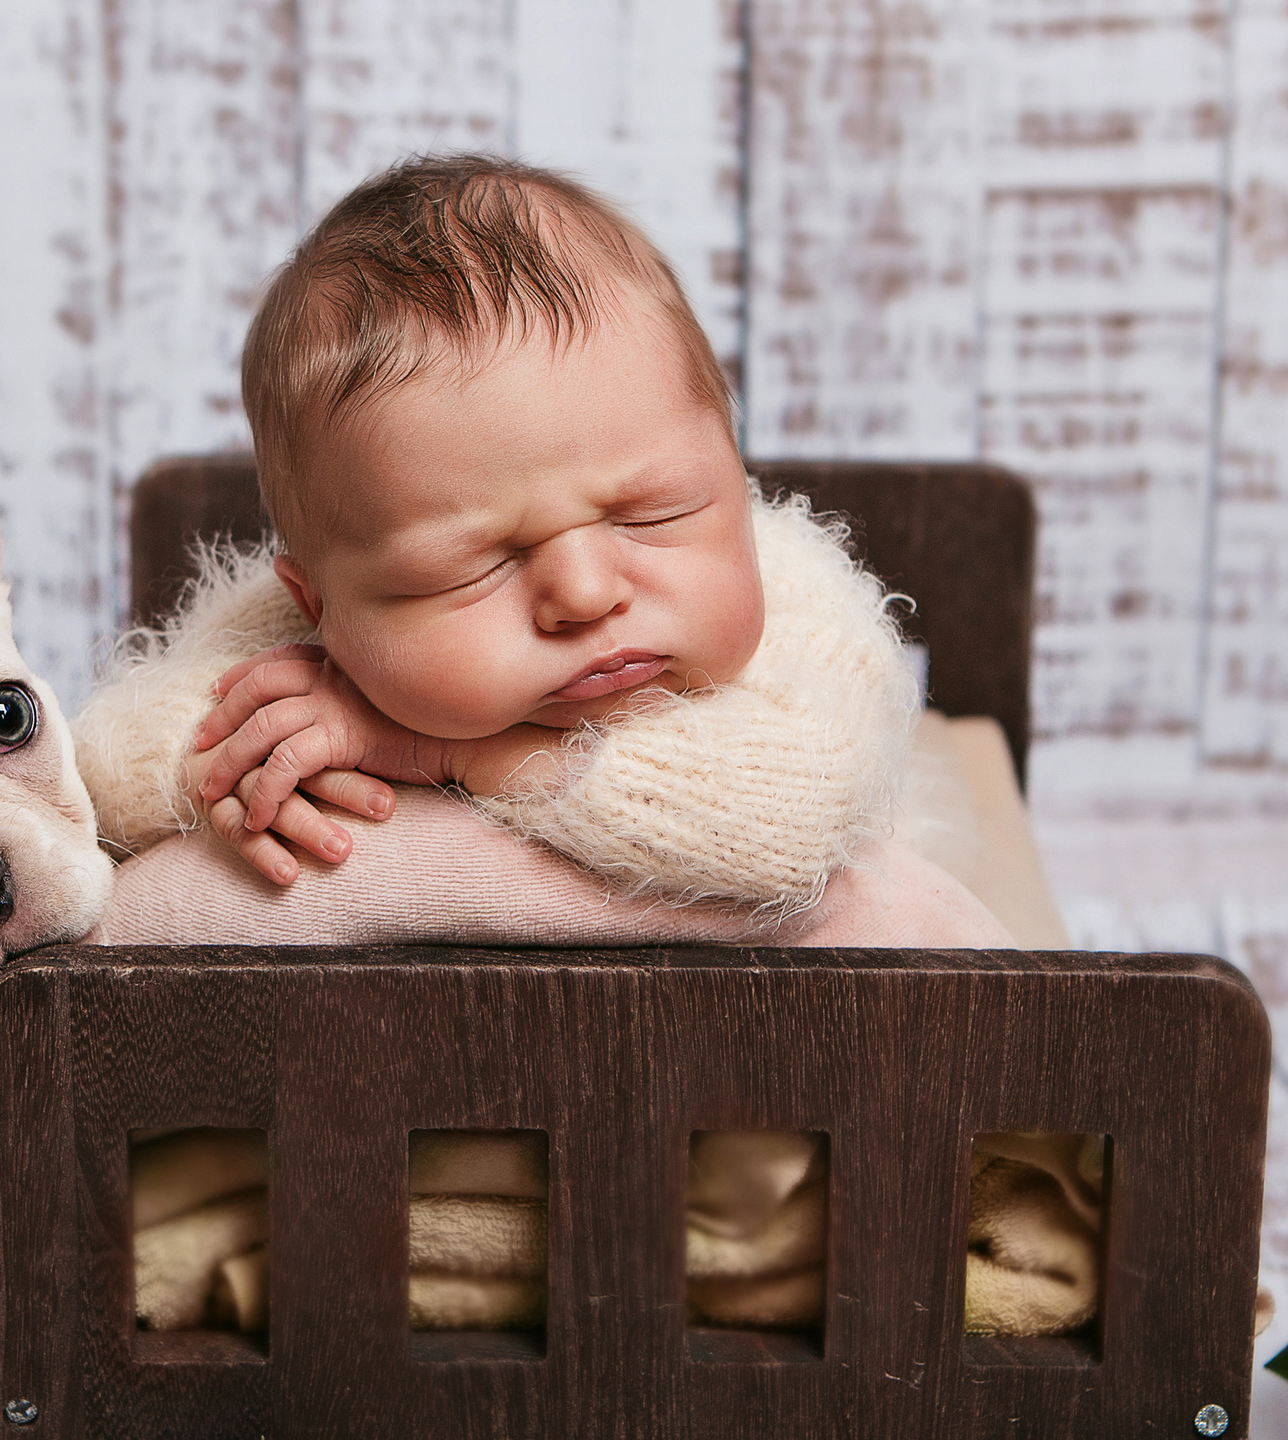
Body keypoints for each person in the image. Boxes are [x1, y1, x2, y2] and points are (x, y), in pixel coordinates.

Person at [74, 153, 1002, 941]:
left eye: (650, 515)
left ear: (731, 475)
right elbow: (113, 766)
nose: (586, 592)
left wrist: (443, 754)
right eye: (474, 566)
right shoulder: (292, 646)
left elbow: (782, 830)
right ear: (325, 610)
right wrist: (213, 778)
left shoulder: (811, 615)